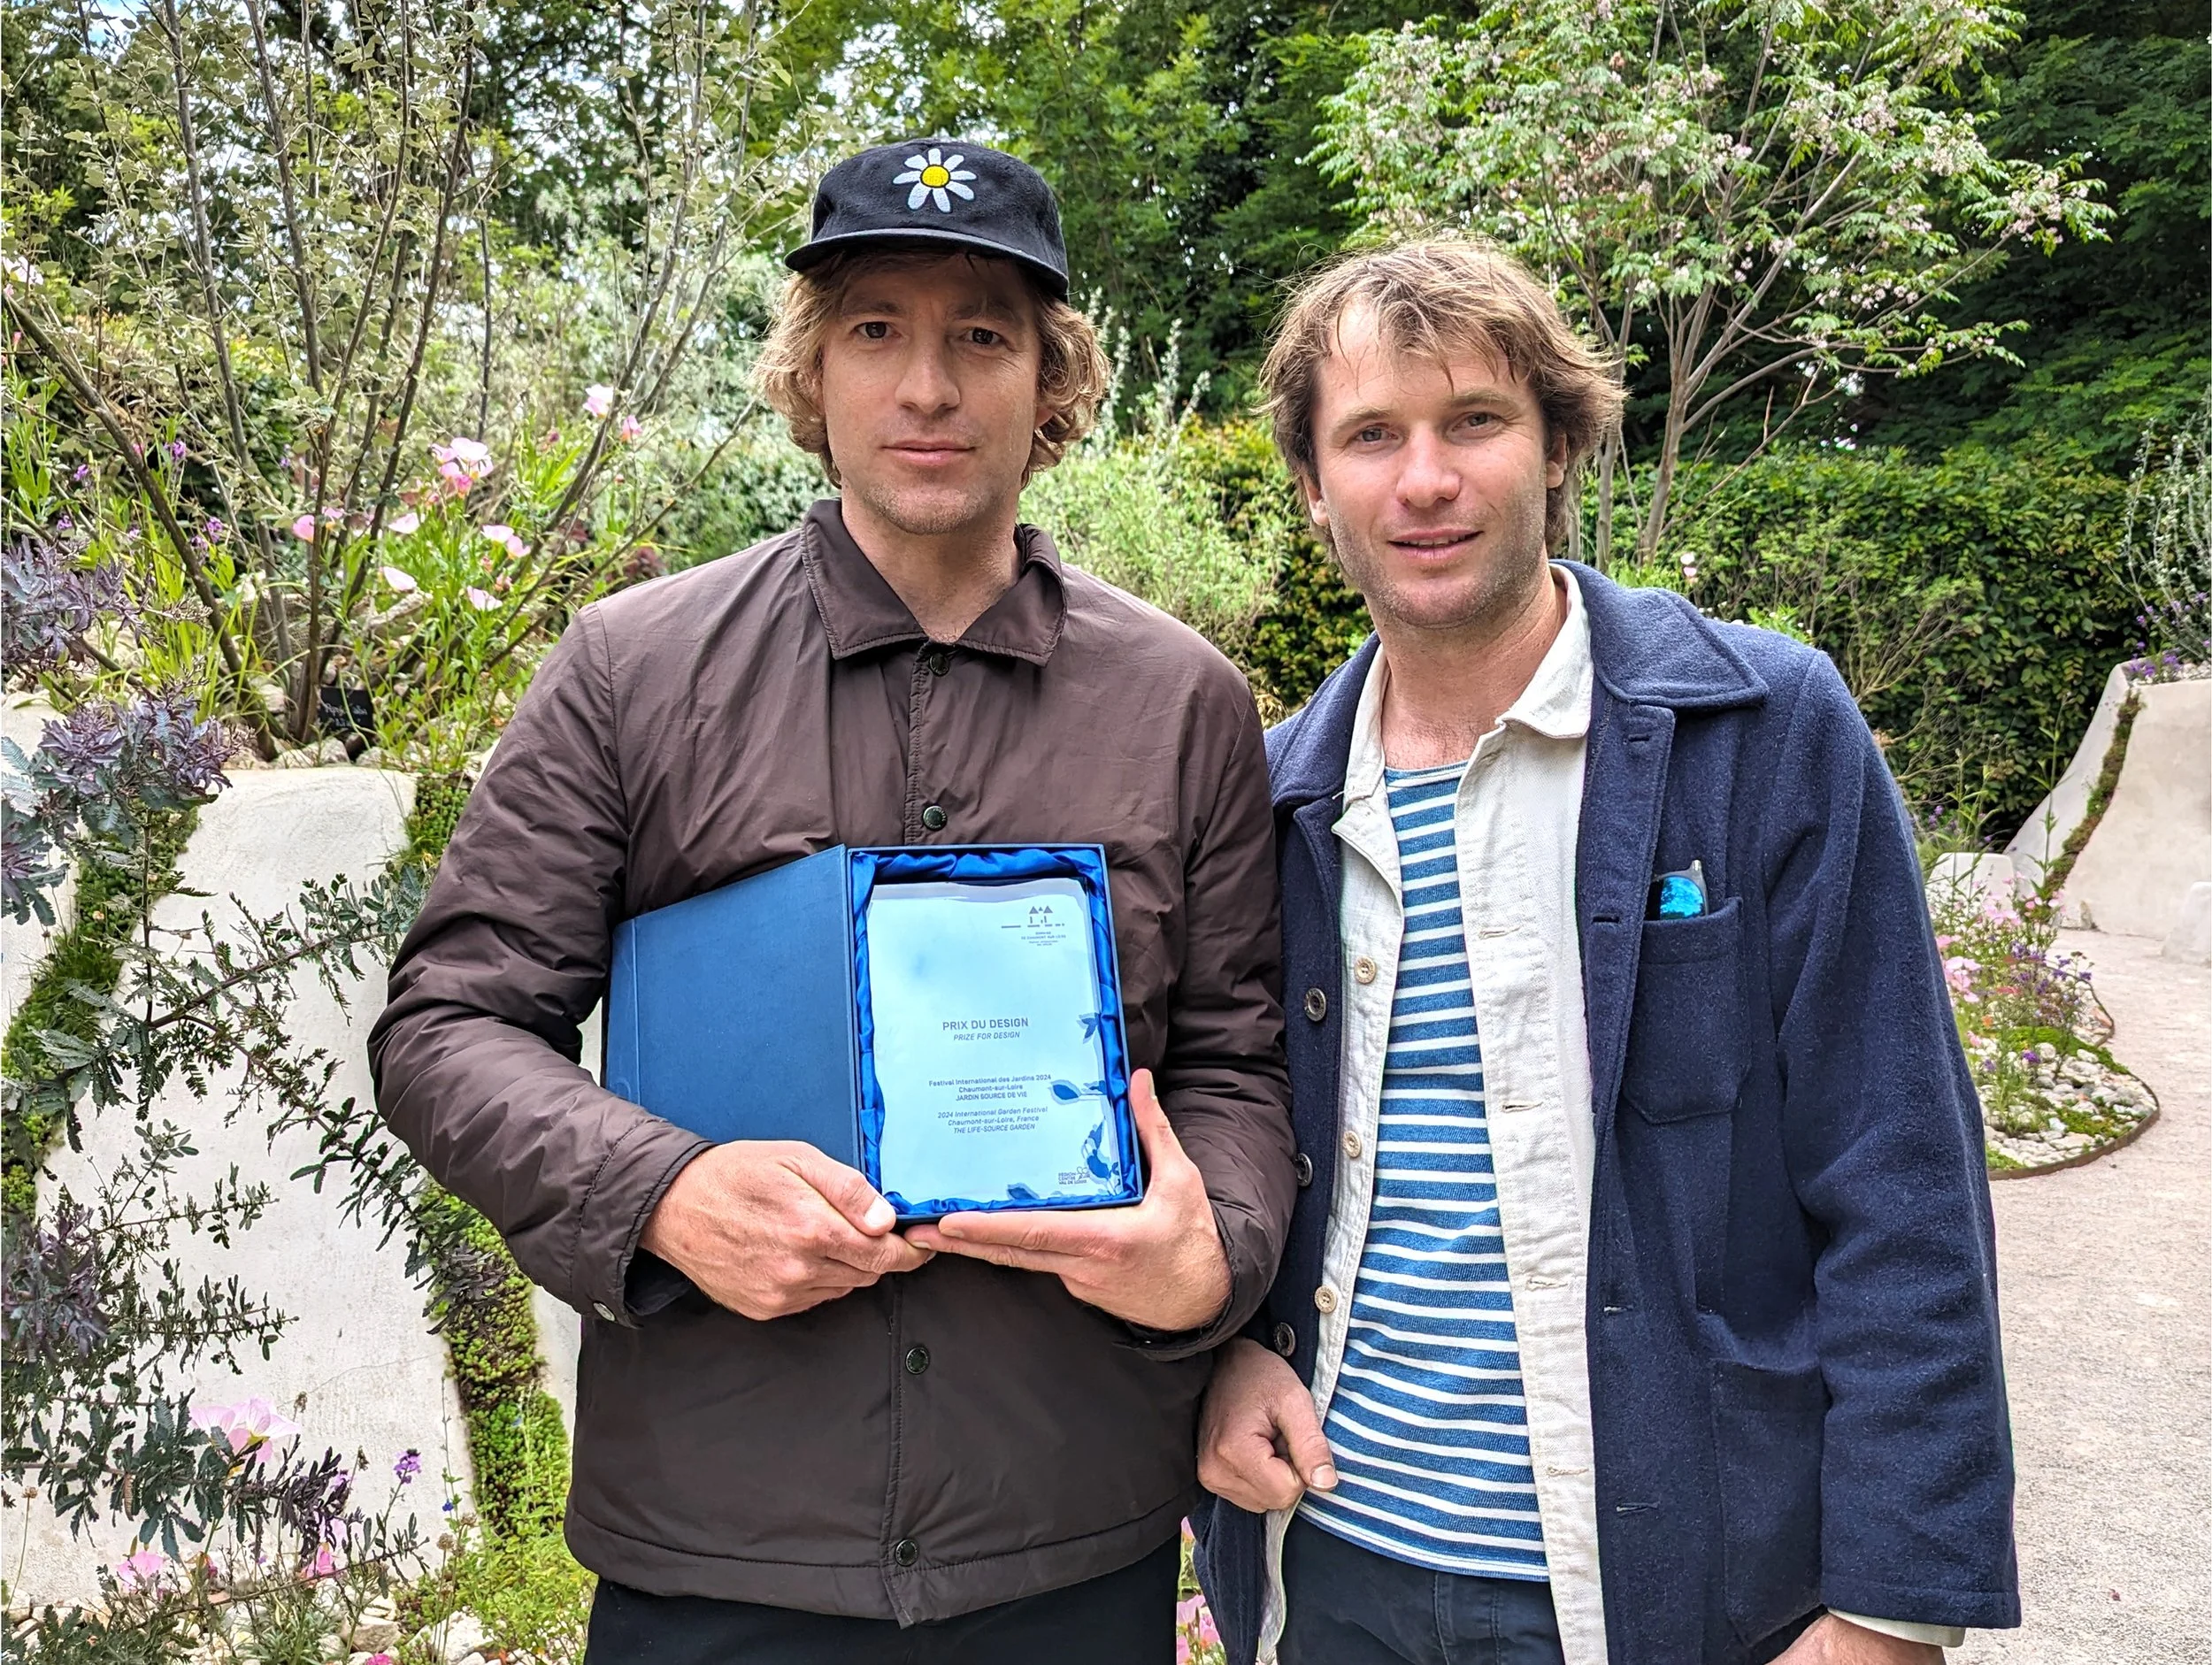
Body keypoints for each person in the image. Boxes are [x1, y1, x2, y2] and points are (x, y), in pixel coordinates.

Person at [367, 139, 1296, 1665]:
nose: (927, 385)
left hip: (1068, 1539)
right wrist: (661, 1192)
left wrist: (1218, 1252)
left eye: (982, 335)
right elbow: (450, 1025)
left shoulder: (1181, 703)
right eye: (877, 329)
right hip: (718, 1550)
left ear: (1053, 385)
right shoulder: (629, 671)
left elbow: (1233, 1060)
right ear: (812, 377)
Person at [1188, 239, 2017, 1665]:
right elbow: (1230, 1139)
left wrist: (1889, 1610)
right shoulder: (1273, 801)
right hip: (1334, 1569)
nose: (1425, 479)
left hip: (1668, 1585)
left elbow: (1903, 1183)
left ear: (1560, 445)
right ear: (1314, 484)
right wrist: (1221, 1355)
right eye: (1371, 435)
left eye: (1475, 422)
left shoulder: (1765, 734)